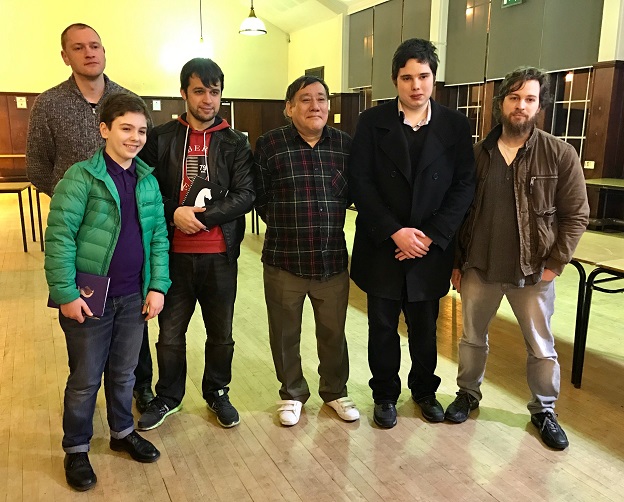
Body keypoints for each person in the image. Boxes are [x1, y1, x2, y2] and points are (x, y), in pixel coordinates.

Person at [445, 67, 589, 450]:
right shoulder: (477, 154)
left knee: (541, 346)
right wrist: (457, 262)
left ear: (539, 106)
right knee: (471, 339)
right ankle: (467, 394)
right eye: (514, 98)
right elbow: (460, 213)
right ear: (501, 103)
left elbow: (576, 215)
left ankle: (544, 410)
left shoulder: (559, 154)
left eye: (529, 99)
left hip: (533, 272)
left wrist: (555, 264)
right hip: (479, 267)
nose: (521, 106)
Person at [26, 23, 155, 413]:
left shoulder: (126, 98)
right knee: (86, 355)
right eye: (79, 47)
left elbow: (143, 158)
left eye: (95, 45)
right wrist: (76, 201)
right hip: (84, 239)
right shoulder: (49, 104)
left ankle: (136, 396)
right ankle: (81, 427)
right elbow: (37, 164)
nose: (89, 53)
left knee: (131, 342)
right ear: (65, 56)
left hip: (128, 232)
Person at [44, 93, 171, 491]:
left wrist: (158, 286)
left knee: (124, 373)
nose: (135, 138)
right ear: (104, 130)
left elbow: (159, 238)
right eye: (126, 128)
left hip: (134, 296)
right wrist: (65, 292)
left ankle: (122, 432)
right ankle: (76, 447)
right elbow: (60, 237)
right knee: (85, 379)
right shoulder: (80, 177)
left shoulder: (147, 181)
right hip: (89, 296)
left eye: (142, 131)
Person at [349, 38, 475, 428]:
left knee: (425, 328)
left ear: (434, 78)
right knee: (382, 328)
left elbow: (463, 186)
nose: (416, 85)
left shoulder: (455, 125)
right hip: (382, 245)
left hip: (430, 249)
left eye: (423, 76)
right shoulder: (372, 122)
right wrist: (395, 232)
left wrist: (429, 236)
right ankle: (385, 395)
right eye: (407, 77)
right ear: (395, 81)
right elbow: (360, 183)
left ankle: (424, 391)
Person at [137, 58, 255, 431]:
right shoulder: (160, 138)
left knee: (221, 334)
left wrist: (202, 217)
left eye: (214, 91)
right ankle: (168, 396)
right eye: (199, 91)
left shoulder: (235, 142)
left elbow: (246, 194)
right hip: (172, 256)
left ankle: (217, 392)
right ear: (184, 93)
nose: (207, 99)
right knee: (170, 335)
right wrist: (175, 213)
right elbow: (145, 188)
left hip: (220, 255)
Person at [253, 76, 359, 426]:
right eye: (306, 99)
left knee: (333, 332)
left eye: (322, 99)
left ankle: (335, 391)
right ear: (289, 108)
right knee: (285, 333)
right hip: (284, 260)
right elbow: (261, 197)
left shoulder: (344, 145)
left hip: (332, 260)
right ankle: (292, 393)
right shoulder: (270, 144)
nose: (316, 106)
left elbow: (353, 194)